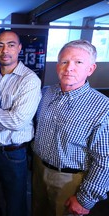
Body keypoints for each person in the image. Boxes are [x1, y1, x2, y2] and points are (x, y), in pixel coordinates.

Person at [32, 39, 109, 216]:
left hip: (70, 181)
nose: (69, 68)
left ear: (91, 69)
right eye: (64, 62)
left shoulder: (103, 107)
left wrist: (85, 199)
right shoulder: (46, 92)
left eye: (78, 62)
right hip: (38, 170)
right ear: (57, 65)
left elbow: (105, 159)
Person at [0, 30, 42, 216]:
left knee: (15, 204)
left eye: (11, 45)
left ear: (19, 48)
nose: (5, 50)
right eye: (0, 45)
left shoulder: (29, 81)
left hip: (14, 155)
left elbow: (17, 120)